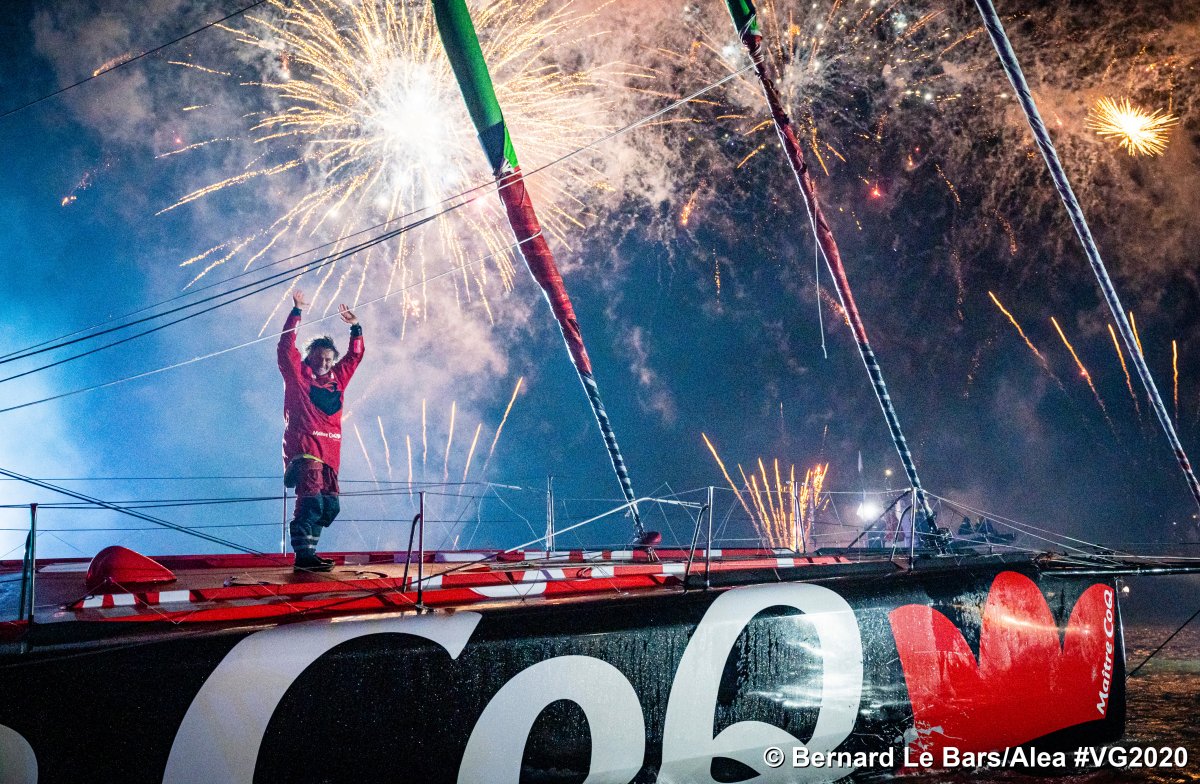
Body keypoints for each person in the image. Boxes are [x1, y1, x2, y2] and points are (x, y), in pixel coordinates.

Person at [277, 289, 364, 572]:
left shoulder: (338, 379)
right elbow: (284, 348)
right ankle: (303, 557)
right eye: (319, 357)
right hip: (305, 449)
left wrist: (355, 327)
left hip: (330, 453)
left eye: (329, 359)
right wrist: (297, 312)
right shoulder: (299, 376)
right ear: (309, 357)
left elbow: (354, 357)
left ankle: (310, 553)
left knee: (329, 506)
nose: (324, 363)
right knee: (311, 499)